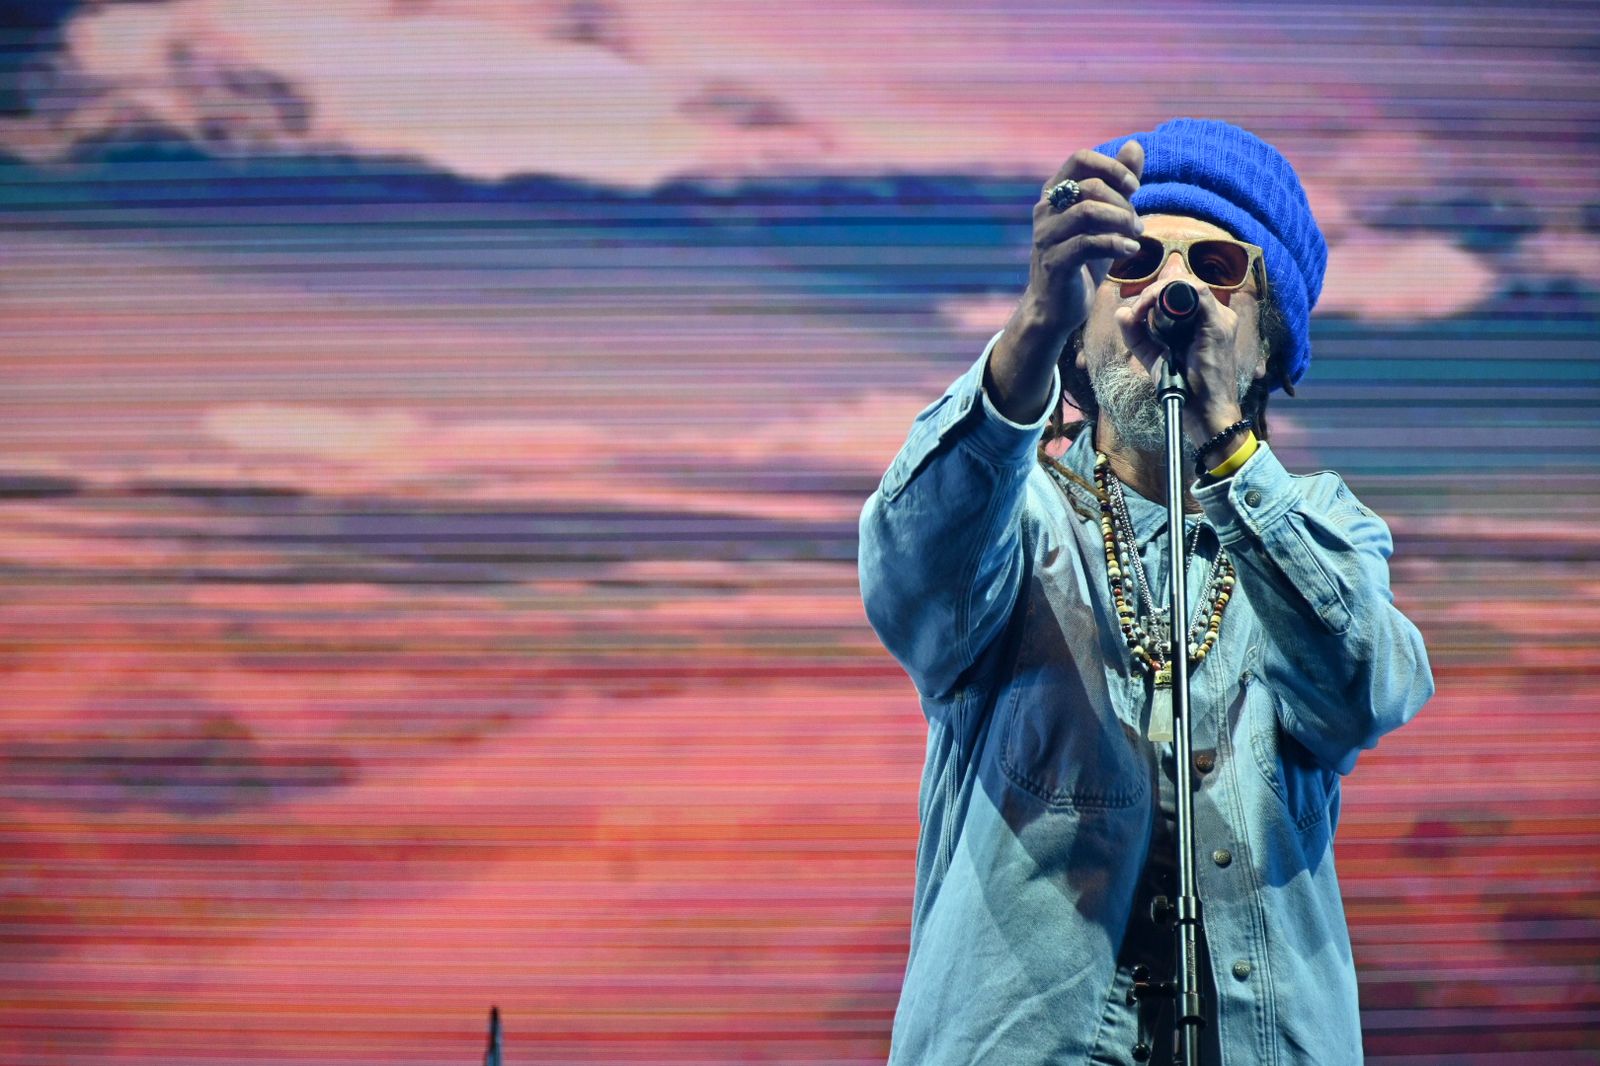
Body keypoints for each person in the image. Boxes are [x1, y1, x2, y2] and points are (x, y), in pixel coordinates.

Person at [857, 118, 1434, 1064]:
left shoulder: (1322, 522)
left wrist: (1228, 453)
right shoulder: (1019, 514)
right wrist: (1032, 323)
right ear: (1082, 332)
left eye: (1215, 269)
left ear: (1265, 346)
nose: (1172, 295)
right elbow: (908, 581)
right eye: (1131, 266)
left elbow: (1363, 692)